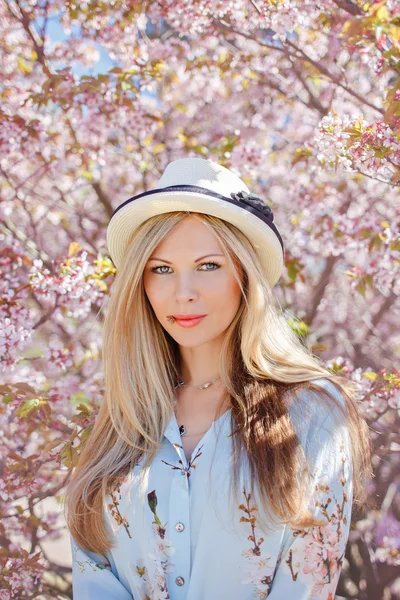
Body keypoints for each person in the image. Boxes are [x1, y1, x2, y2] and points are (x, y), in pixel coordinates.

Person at [65, 156, 372, 599]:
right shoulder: (122, 422)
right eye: (161, 268)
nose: (182, 291)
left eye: (208, 265)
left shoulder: (314, 412)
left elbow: (307, 581)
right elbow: (92, 570)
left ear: (244, 274)